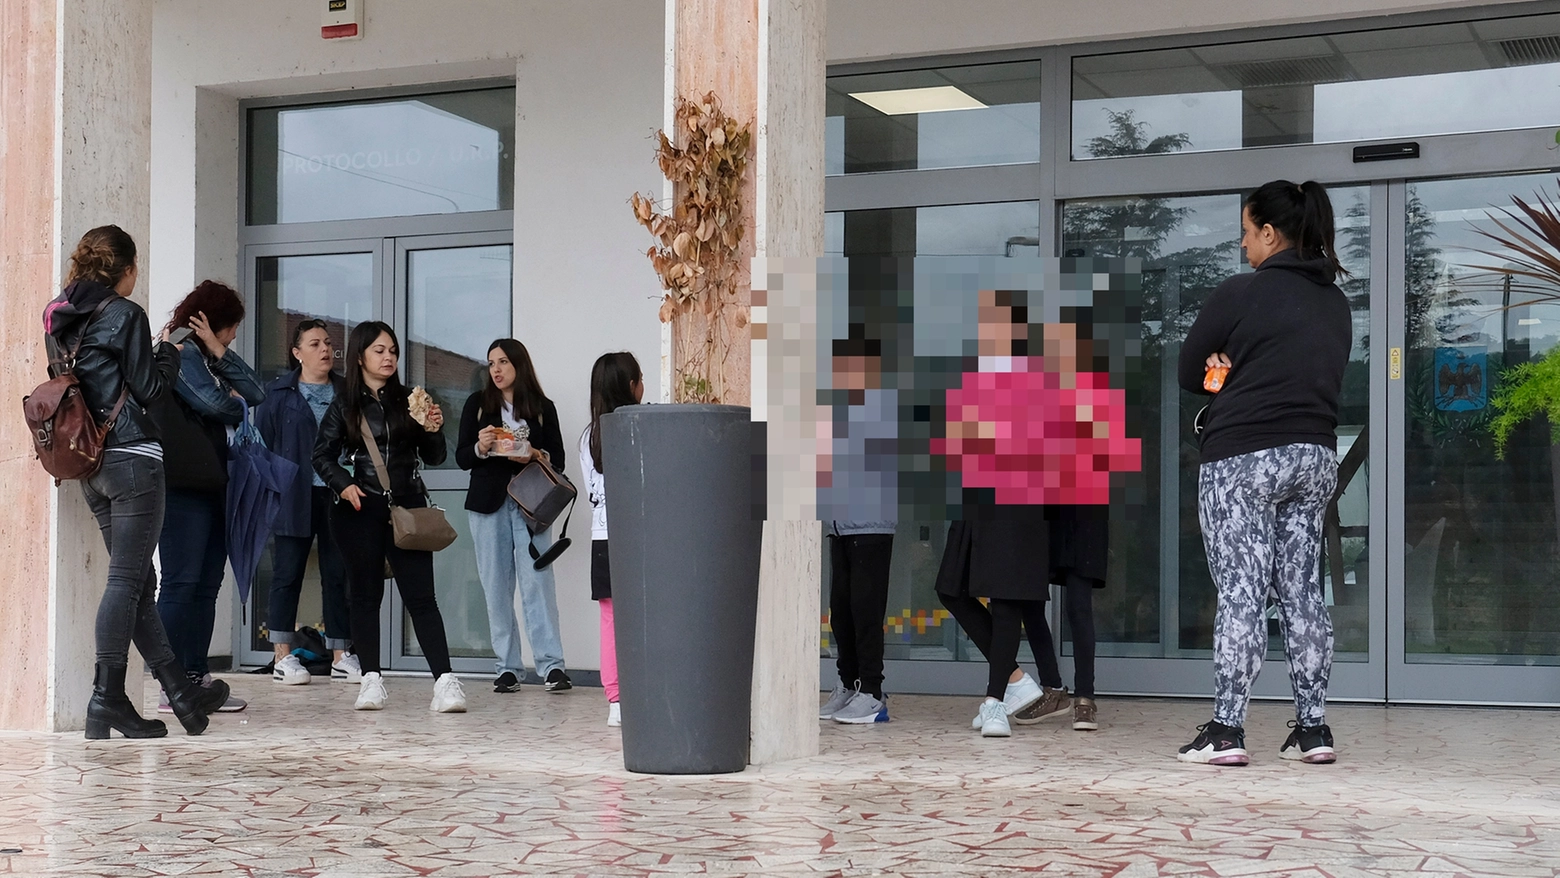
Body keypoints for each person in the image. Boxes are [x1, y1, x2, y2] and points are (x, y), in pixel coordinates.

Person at [1175, 179, 1352, 766]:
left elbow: (1188, 371)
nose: (1243, 245)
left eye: (1247, 233)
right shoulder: (1335, 302)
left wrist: (1221, 372)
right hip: (1314, 459)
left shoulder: (1240, 294)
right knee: (1302, 593)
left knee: (1243, 590)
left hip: (1243, 459)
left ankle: (1226, 731)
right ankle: (1313, 730)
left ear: (1270, 233)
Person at [45, 225, 230, 738]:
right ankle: (106, 697)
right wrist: (167, 352)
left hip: (88, 461)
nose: (137, 275)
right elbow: (150, 389)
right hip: (132, 457)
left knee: (139, 584)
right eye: (136, 266)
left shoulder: (57, 316)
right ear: (124, 269)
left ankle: (181, 693)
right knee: (127, 582)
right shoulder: (125, 313)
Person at [316, 321, 465, 712]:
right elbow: (322, 455)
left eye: (393, 351)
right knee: (365, 596)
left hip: (407, 507)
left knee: (421, 597)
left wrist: (433, 427)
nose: (388, 358)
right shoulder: (344, 403)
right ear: (361, 355)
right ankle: (371, 680)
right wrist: (343, 484)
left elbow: (433, 456)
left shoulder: (410, 399)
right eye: (380, 350)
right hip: (360, 509)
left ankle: (446, 683)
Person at [156, 280, 265, 715]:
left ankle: (197, 678)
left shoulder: (206, 357)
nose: (235, 335)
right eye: (232, 328)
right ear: (211, 322)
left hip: (215, 484)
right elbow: (218, 405)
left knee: (205, 586)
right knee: (181, 583)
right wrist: (231, 400)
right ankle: (170, 682)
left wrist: (220, 355)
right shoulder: (179, 354)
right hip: (182, 484)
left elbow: (255, 393)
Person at [455, 339, 571, 695]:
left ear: (519, 365)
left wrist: (535, 453)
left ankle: (551, 666)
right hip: (488, 503)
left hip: (530, 503)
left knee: (538, 584)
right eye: (491, 363)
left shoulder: (541, 407)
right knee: (496, 586)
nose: (496, 370)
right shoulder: (478, 405)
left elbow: (559, 460)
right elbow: (462, 457)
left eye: (503, 361)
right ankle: (507, 667)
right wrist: (481, 446)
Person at [255, 319, 358, 685]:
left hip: (338, 493)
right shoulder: (278, 394)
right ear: (297, 354)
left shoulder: (348, 392)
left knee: (337, 574)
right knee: (287, 575)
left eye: (328, 343)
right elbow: (262, 445)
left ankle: (341, 655)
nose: (325, 349)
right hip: (294, 495)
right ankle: (282, 657)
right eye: (314, 344)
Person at [816, 334, 896, 725]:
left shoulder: (882, 405)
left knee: (866, 610)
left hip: (871, 522)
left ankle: (874, 693)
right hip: (840, 524)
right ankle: (848, 684)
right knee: (841, 610)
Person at [578, 352, 644, 727]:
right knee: (644, 614)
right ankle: (637, 690)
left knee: (610, 618)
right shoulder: (636, 428)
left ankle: (615, 700)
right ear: (631, 386)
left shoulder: (589, 437)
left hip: (602, 536)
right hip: (638, 535)